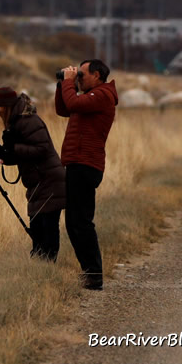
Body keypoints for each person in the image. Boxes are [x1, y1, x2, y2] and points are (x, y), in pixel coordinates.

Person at [0, 86, 66, 262]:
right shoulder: (17, 121)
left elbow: (41, 149)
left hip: (49, 180)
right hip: (39, 181)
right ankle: (40, 268)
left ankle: (48, 268)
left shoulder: (29, 121)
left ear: (7, 105)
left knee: (47, 227)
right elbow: (24, 155)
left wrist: (12, 147)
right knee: (37, 229)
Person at [55, 59, 118, 290]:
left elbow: (72, 104)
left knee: (81, 222)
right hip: (77, 163)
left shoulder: (102, 96)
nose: (78, 79)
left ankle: (94, 275)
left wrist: (69, 84)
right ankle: (90, 273)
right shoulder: (87, 99)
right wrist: (62, 83)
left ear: (98, 75)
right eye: (77, 75)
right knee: (74, 223)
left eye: (82, 75)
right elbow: (63, 108)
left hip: (86, 164)